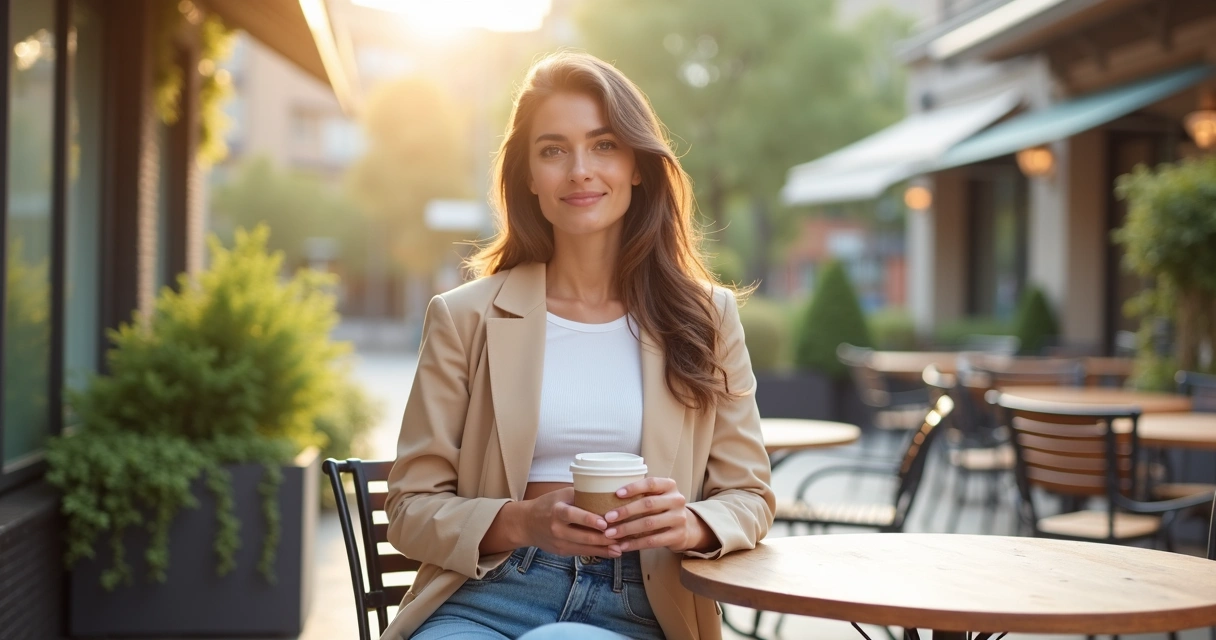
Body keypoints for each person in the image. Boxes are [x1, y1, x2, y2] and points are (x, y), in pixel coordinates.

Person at [381, 51, 774, 640]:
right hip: (489, 593)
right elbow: (409, 509)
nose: (580, 170)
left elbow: (750, 495)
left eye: (604, 144)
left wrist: (690, 522)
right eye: (553, 150)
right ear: (529, 177)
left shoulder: (706, 318)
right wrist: (520, 523)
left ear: (638, 165)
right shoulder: (464, 317)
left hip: (644, 602)